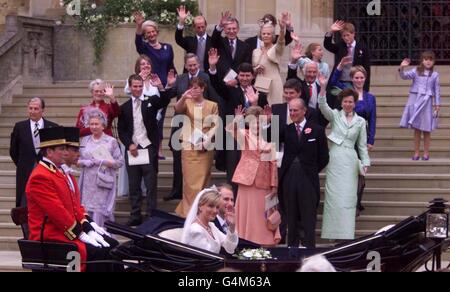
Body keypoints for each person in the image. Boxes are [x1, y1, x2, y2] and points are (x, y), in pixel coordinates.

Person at [26, 126, 119, 272]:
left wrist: (89, 226)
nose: (65, 153)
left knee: (112, 246)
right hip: (51, 233)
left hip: (62, 229)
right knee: (98, 253)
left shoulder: (59, 172)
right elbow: (58, 213)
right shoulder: (41, 176)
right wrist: (80, 233)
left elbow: (75, 207)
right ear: (49, 152)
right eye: (61, 149)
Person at [209, 48, 269, 194]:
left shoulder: (260, 94)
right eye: (242, 75)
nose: (244, 78)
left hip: (253, 137)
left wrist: (254, 105)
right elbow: (217, 86)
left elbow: (263, 118)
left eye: (247, 75)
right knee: (233, 170)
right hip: (234, 136)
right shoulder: (231, 91)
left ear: (252, 76)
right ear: (238, 76)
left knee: (252, 170)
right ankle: (233, 201)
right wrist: (212, 67)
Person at [318, 77, 371, 241]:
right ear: (341, 103)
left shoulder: (361, 121)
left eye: (351, 101)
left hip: (351, 160)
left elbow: (362, 145)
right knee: (334, 197)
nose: (348, 104)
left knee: (348, 198)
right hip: (335, 158)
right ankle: (332, 234)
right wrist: (322, 88)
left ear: (355, 103)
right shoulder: (335, 116)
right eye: (345, 101)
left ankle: (346, 234)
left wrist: (365, 163)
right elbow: (322, 106)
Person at [118, 74, 173, 226]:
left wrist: (161, 87)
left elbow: (165, 100)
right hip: (132, 150)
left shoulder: (151, 101)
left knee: (150, 185)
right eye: (134, 86)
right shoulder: (124, 107)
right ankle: (135, 214)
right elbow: (121, 130)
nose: (137, 89)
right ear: (129, 87)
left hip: (148, 147)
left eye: (140, 86)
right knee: (134, 185)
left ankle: (151, 214)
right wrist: (129, 144)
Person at [165, 54, 221, 202]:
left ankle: (200, 205)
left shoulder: (208, 86)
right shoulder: (182, 83)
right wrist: (177, 91)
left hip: (204, 139)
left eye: (194, 65)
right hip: (187, 137)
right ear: (185, 65)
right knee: (185, 174)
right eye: (189, 65)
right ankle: (183, 200)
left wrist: (207, 139)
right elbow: (175, 105)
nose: (192, 67)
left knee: (202, 177)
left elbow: (215, 120)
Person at [279, 99, 329, 248]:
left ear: (304, 110)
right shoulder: (286, 129)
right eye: (291, 110)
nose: (293, 113)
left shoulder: (317, 130)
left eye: (296, 110)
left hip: (308, 179)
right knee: (291, 218)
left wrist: (310, 170)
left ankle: (309, 252)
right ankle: (292, 252)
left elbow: (324, 157)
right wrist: (269, 122)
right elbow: (268, 137)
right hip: (289, 178)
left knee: (308, 219)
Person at [330, 57, 377, 214]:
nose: (359, 80)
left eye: (361, 77)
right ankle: (347, 200)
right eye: (356, 77)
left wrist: (371, 140)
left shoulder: (370, 98)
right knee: (347, 171)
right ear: (352, 79)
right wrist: (339, 67)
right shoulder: (347, 93)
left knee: (360, 172)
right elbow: (332, 84)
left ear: (365, 79)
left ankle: (357, 202)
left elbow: (373, 119)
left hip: (361, 139)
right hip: (347, 137)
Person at [227, 106, 280, 246]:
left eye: (258, 121)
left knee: (262, 213)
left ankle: (264, 241)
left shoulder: (268, 141)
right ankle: (245, 239)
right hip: (246, 180)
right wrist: (238, 119)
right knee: (247, 211)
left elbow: (273, 165)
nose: (256, 124)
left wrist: (274, 185)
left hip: (264, 183)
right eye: (253, 121)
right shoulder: (244, 135)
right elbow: (230, 130)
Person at [174, 78, 219, 218]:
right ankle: (188, 213)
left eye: (196, 88)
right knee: (189, 183)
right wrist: (183, 97)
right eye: (191, 88)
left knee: (203, 182)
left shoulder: (213, 105)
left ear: (203, 88)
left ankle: (201, 212)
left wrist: (206, 141)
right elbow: (177, 109)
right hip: (189, 145)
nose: (194, 90)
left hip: (205, 147)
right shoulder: (186, 102)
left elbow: (216, 124)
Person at [134, 12, 177, 158]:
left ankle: (158, 149)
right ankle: (146, 145)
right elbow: (138, 42)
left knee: (160, 119)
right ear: (146, 35)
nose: (151, 34)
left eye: (153, 31)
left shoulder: (168, 47)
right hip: (150, 87)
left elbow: (171, 66)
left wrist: (174, 82)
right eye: (148, 33)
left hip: (163, 88)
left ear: (157, 32)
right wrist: (139, 25)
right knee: (148, 118)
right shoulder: (145, 48)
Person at [78, 109, 124, 227]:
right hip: (88, 182)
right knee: (86, 210)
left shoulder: (111, 141)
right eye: (91, 124)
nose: (93, 127)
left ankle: (104, 237)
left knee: (100, 211)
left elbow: (120, 162)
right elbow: (75, 160)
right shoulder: (85, 140)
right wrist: (84, 162)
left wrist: (104, 161)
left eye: (96, 124)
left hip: (103, 181)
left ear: (103, 126)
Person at [10, 97, 58, 208]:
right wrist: (24, 164)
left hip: (46, 172)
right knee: (24, 205)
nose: (32, 111)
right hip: (25, 172)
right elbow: (13, 151)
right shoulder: (19, 127)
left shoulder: (52, 127)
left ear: (42, 110)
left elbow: (56, 151)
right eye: (30, 108)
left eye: (36, 109)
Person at [399, 51, 441, 161]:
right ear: (422, 60)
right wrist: (402, 67)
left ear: (433, 62)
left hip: (427, 102)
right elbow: (404, 76)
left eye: (430, 59)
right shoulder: (416, 71)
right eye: (426, 59)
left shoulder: (435, 75)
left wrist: (437, 104)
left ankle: (426, 153)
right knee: (416, 128)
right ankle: (416, 153)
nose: (428, 61)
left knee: (427, 129)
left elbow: (437, 90)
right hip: (415, 100)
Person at [181, 187, 238, 254]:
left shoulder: (211, 226)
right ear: (200, 206)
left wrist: (232, 226)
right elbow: (207, 256)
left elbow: (230, 247)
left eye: (217, 207)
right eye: (210, 206)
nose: (215, 211)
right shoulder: (195, 230)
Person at [324, 20, 371, 91]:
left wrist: (365, 89)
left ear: (353, 34)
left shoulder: (362, 48)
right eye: (344, 36)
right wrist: (331, 31)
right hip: (340, 83)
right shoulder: (340, 46)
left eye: (348, 35)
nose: (346, 38)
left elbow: (366, 69)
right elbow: (327, 45)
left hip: (355, 83)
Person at [252, 17, 286, 105]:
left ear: (273, 36)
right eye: (264, 34)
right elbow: (252, 70)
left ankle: (275, 120)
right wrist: (256, 69)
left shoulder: (276, 49)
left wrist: (282, 29)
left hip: (274, 84)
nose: (266, 36)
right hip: (260, 83)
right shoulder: (256, 51)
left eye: (268, 34)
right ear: (261, 35)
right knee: (261, 111)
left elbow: (281, 42)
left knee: (274, 110)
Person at [211, 12, 251, 85]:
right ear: (225, 30)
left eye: (234, 28)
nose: (231, 31)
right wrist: (220, 26)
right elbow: (214, 38)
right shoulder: (219, 42)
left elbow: (246, 67)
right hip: (220, 83)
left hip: (237, 84)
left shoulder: (245, 46)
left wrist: (237, 80)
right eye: (229, 29)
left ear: (238, 29)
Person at [175, 5, 211, 71]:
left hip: (207, 75)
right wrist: (181, 22)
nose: (201, 29)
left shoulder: (212, 41)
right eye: (198, 27)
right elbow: (178, 39)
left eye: (202, 27)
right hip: (191, 74)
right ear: (194, 27)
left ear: (206, 25)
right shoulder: (189, 41)